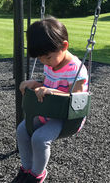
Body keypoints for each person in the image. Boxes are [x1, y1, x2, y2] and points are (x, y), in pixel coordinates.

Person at [13, 16, 88, 183]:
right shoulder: (51, 63)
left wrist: (50, 91)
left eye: (46, 58)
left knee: (40, 138)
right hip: (47, 110)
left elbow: (75, 100)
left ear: (64, 46)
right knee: (22, 131)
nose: (44, 62)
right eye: (39, 59)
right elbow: (47, 85)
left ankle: (38, 174)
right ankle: (26, 169)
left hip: (66, 117)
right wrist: (35, 84)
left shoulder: (77, 70)